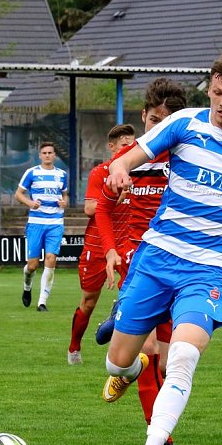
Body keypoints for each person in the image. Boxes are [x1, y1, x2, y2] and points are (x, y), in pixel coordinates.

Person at [101, 53, 222, 445]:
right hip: (158, 258)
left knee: (182, 355)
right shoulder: (183, 123)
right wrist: (121, 170)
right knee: (117, 362)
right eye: (216, 92)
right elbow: (127, 157)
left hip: (208, 270)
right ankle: (132, 370)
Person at [94, 78, 188, 445]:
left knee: (167, 361)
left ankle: (126, 351)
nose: (158, 127)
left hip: (182, 261)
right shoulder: (129, 158)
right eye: (152, 119)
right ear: (143, 117)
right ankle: (160, 441)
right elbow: (101, 207)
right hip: (140, 258)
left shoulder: (189, 158)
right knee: (148, 349)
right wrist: (111, 250)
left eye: (166, 120)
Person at [67, 124, 136, 365]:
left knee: (135, 297)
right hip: (98, 246)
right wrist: (116, 198)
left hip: (128, 244)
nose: (130, 148)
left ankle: (120, 337)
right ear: (112, 147)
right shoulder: (101, 173)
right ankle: (74, 347)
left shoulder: (140, 171)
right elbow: (89, 208)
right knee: (88, 302)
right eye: (125, 144)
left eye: (132, 143)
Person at [14, 142, 68, 312]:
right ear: (39, 155)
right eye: (44, 152)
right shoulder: (31, 173)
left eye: (50, 152)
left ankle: (42, 302)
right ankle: (27, 286)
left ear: (54, 155)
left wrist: (63, 202)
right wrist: (31, 203)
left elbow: (64, 195)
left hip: (55, 223)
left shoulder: (62, 174)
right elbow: (18, 194)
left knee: (51, 259)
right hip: (36, 223)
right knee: (32, 265)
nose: (47, 155)